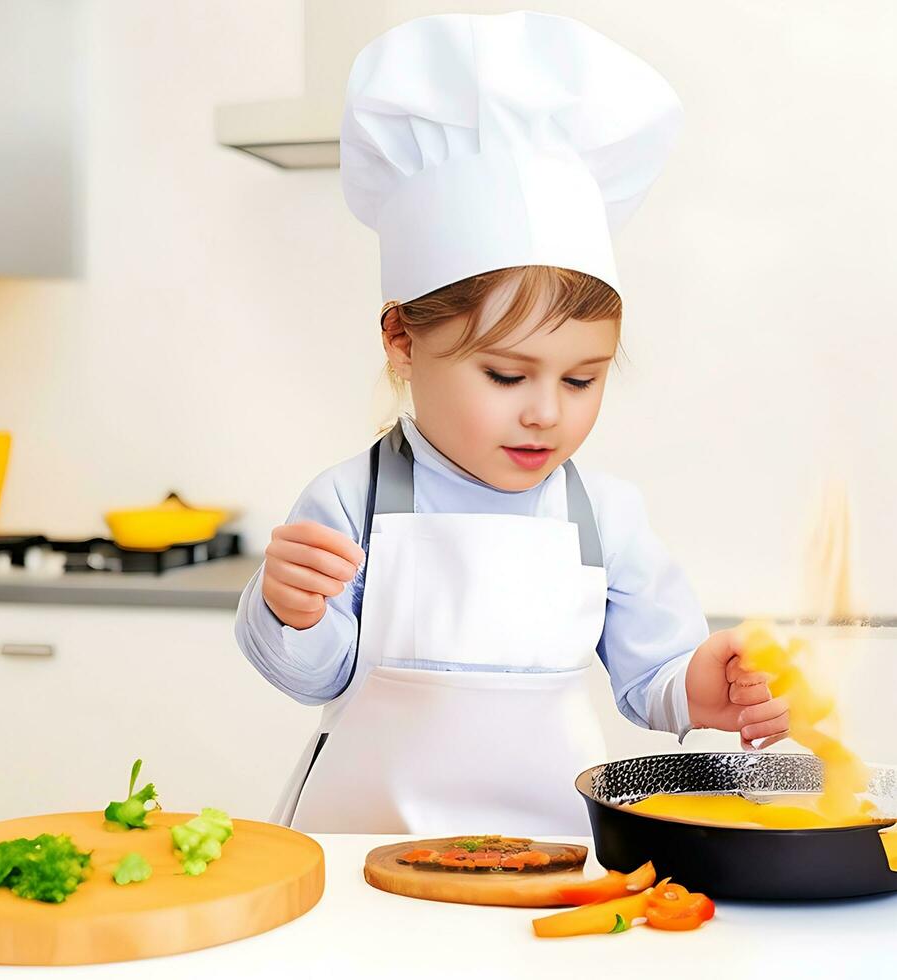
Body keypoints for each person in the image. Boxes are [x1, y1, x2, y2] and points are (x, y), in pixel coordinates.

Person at [235, 11, 789, 834]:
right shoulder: (352, 499)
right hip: (368, 855)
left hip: (554, 854)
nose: (545, 412)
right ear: (402, 341)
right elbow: (319, 677)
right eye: (504, 374)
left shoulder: (604, 517)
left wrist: (701, 685)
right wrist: (291, 610)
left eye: (582, 379)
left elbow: (654, 678)